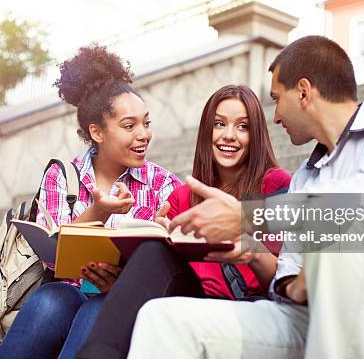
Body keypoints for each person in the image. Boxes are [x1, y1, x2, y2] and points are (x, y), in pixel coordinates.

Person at [127, 36, 364, 359]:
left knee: (341, 229)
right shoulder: (305, 176)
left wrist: (247, 215)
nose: (274, 117)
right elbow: (287, 271)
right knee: (165, 319)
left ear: (303, 92)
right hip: (313, 318)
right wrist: (288, 278)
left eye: (276, 99)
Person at [77, 85, 292, 359]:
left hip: (251, 305)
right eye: (219, 124)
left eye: (242, 127)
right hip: (193, 299)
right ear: (206, 131)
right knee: (153, 250)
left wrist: (244, 238)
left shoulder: (275, 184)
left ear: (256, 135)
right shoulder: (182, 196)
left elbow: (284, 278)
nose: (229, 135)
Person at [0, 44, 181, 359]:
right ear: (97, 131)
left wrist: (167, 231)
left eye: (146, 123)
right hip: (66, 292)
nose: (143, 134)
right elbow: (52, 257)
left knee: (99, 310)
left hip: (126, 301)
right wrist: (99, 212)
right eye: (129, 125)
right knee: (51, 299)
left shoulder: (163, 184)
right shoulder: (62, 176)